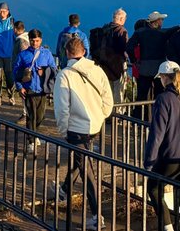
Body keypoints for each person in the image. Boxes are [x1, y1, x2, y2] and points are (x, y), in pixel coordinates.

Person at [51, 37, 113, 231]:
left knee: (86, 171)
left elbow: (62, 108)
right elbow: (108, 99)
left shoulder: (64, 75)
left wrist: (63, 130)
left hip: (76, 128)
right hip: (93, 126)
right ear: (84, 52)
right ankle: (63, 191)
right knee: (80, 160)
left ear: (67, 53)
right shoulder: (97, 70)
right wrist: (100, 116)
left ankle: (97, 216)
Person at [144, 61, 180, 231]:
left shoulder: (163, 99)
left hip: (171, 157)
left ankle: (168, 226)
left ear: (164, 77)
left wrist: (149, 161)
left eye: (161, 78)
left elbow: (157, 134)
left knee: (154, 189)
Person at [126, 11, 179, 119]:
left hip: (144, 68)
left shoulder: (140, 32)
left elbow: (129, 47)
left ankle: (139, 119)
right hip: (159, 69)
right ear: (157, 21)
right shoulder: (163, 33)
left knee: (142, 95)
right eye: (161, 20)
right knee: (159, 95)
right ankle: (158, 117)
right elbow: (174, 29)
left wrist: (134, 61)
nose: (162, 22)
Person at [14, 29, 57, 153]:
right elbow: (16, 72)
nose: (34, 43)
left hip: (42, 90)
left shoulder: (47, 54)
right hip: (29, 89)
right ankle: (31, 141)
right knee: (31, 116)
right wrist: (19, 87)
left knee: (40, 116)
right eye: (32, 41)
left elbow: (54, 70)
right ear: (29, 40)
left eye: (37, 41)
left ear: (41, 40)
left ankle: (35, 133)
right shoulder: (23, 55)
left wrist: (44, 71)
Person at [94, 8, 129, 104]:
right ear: (121, 19)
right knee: (119, 91)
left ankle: (108, 111)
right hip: (117, 66)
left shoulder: (105, 29)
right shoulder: (121, 31)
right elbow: (124, 48)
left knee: (108, 91)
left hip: (104, 65)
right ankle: (118, 112)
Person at [12, 20, 30, 124]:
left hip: (22, 71)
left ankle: (26, 114)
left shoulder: (21, 41)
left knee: (23, 93)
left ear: (15, 29)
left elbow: (23, 57)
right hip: (25, 71)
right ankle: (27, 113)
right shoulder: (26, 38)